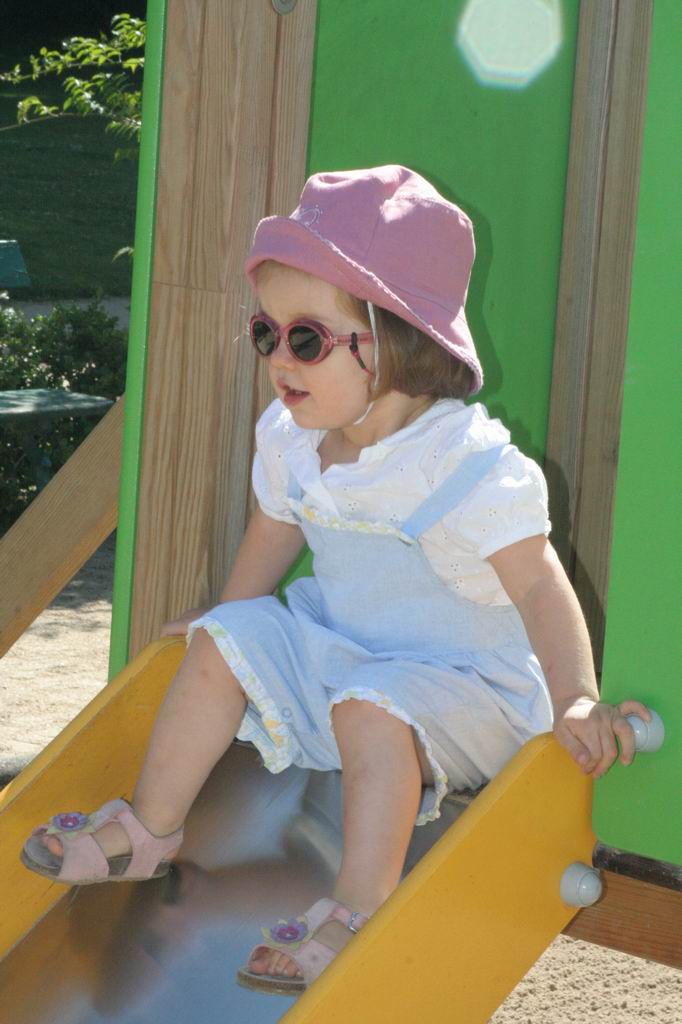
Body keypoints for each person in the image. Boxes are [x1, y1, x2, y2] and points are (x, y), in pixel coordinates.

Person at [22, 165, 650, 994]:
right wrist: (231, 624)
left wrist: (575, 698)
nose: (280, 359)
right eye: (267, 333)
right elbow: (275, 528)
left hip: (466, 697)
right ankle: (149, 831)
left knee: (371, 705)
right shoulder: (294, 438)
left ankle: (359, 905)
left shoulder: (461, 466)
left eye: (307, 340)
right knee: (223, 637)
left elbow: (538, 585)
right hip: (347, 660)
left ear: (396, 341)